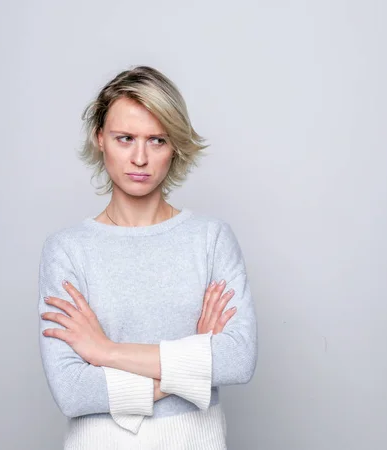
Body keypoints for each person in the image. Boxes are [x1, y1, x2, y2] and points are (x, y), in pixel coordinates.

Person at [38, 66, 258, 449]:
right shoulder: (67, 250)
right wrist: (193, 362)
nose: (140, 158)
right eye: (125, 138)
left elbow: (237, 360)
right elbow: (72, 391)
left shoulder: (210, 239)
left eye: (157, 140)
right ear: (100, 138)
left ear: (174, 146)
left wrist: (106, 352)